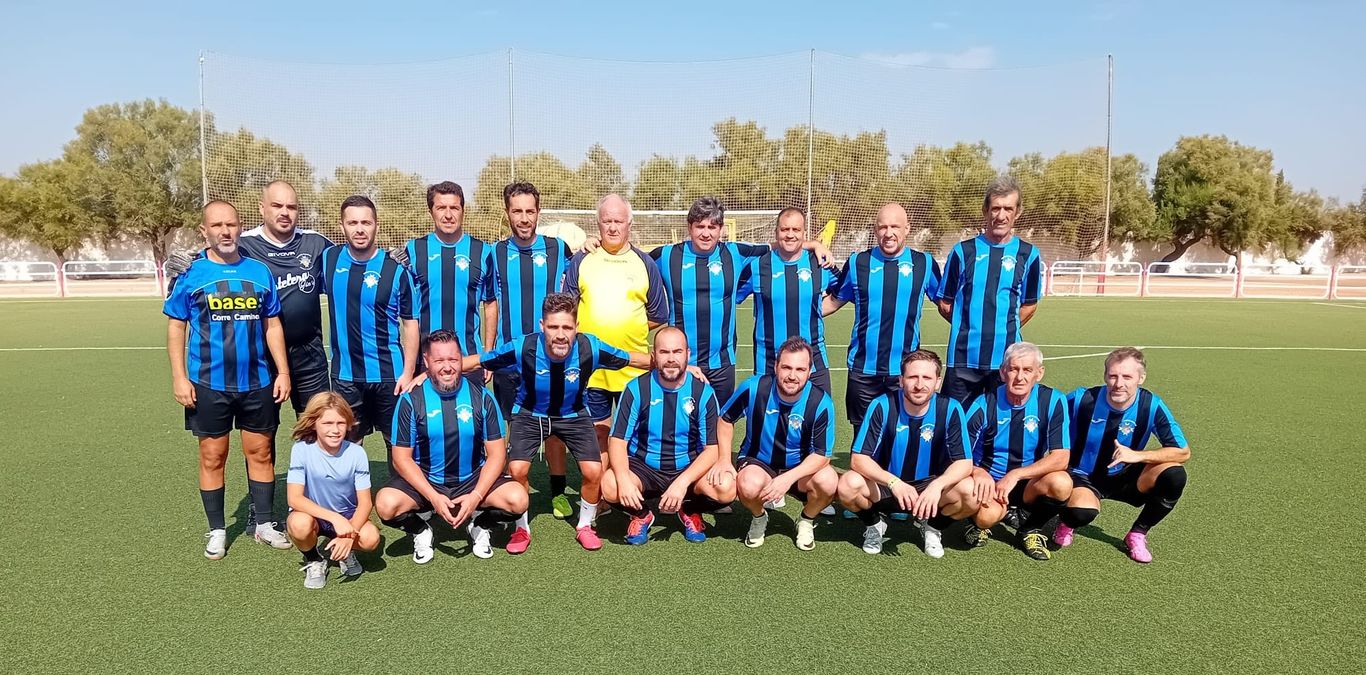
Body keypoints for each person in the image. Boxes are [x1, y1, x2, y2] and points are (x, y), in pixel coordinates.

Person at [165, 180, 333, 533]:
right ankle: (260, 516)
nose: (285, 212)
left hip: (309, 356)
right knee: (260, 443)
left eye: (291, 207)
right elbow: (214, 253)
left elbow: (351, 260)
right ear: (261, 209)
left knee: (319, 431)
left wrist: (394, 258)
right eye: (277, 206)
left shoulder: (316, 244)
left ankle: (321, 507)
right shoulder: (247, 244)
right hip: (261, 359)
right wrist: (183, 261)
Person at [465, 293, 654, 552]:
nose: (561, 334)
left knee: (593, 471)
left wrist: (676, 365)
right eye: (553, 327)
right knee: (517, 470)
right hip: (530, 414)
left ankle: (585, 526)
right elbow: (480, 360)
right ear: (542, 326)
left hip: (574, 415)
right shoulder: (523, 347)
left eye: (567, 327)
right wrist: (435, 370)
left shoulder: (590, 347)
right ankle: (521, 529)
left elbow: (632, 358)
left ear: (577, 327)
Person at [164, 200, 292, 558]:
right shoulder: (191, 273)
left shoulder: (259, 271)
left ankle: (264, 524)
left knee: (261, 452)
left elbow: (272, 325)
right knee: (212, 456)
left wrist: (283, 371)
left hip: (257, 381)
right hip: (208, 383)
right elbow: (176, 327)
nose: (225, 231)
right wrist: (179, 377)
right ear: (204, 230)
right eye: (217, 225)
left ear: (240, 227)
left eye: (231, 224)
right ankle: (218, 529)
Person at [651, 196, 832, 404]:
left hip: (722, 364)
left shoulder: (735, 253)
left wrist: (813, 244)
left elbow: (781, 245)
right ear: (689, 226)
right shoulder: (666, 256)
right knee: (676, 420)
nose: (706, 233)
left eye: (712, 227)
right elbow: (636, 266)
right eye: (700, 226)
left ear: (721, 229)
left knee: (720, 420)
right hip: (677, 362)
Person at [375, 329, 529, 563]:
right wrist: (433, 497)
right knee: (386, 504)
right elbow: (401, 459)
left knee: (518, 500)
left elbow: (497, 455)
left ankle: (480, 524)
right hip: (428, 481)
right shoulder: (410, 399)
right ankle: (421, 530)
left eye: (453, 359)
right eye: (439, 360)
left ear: (461, 360)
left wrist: (476, 496)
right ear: (427, 361)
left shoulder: (482, 397)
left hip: (471, 479)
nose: (447, 367)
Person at [562, 194, 671, 467]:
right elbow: (567, 311)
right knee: (598, 434)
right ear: (598, 224)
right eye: (607, 221)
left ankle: (629, 486)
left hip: (633, 367)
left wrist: (628, 326)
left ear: (629, 224)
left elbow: (659, 314)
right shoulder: (582, 259)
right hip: (592, 368)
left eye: (618, 221)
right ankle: (600, 489)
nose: (612, 227)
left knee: (632, 436)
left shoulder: (645, 263)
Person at [490, 181, 576, 520]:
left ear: (538, 212)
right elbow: (488, 302)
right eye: (517, 211)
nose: (524, 218)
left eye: (530, 211)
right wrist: (489, 351)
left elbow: (580, 270)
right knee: (514, 427)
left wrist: (593, 245)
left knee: (555, 429)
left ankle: (557, 493)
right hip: (511, 359)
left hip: (553, 357)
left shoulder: (558, 249)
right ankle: (514, 493)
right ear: (507, 213)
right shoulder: (495, 253)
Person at [601, 327, 735, 545]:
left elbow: (712, 449)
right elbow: (617, 440)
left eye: (677, 351)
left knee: (727, 487)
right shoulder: (636, 389)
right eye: (664, 352)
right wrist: (624, 479)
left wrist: (682, 483)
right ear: (654, 356)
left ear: (687, 354)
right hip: (644, 467)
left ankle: (689, 509)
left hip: (687, 466)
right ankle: (642, 515)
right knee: (610, 484)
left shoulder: (703, 393)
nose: (671, 359)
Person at [837, 349, 977, 557]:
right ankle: (874, 525)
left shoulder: (950, 409)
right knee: (848, 484)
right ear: (901, 380)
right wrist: (894, 482)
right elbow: (858, 459)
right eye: (912, 377)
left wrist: (938, 485)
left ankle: (932, 528)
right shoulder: (882, 405)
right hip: (887, 486)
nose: (919, 385)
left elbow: (964, 462)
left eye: (927, 378)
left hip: (929, 488)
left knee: (971, 494)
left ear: (938, 382)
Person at [1056, 347, 1191, 563]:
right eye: (1113, 376)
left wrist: (1138, 456)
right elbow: (1048, 418)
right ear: (1105, 376)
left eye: (1127, 377)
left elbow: (1182, 451)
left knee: (1174, 475)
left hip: (1127, 476)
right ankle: (1066, 522)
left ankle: (1137, 534)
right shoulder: (1083, 398)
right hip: (1083, 475)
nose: (1119, 383)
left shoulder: (1151, 405)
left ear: (1141, 378)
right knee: (1080, 513)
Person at [823, 203, 941, 428]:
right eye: (883, 227)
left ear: (907, 229)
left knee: (902, 434)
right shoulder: (858, 263)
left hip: (905, 371)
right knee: (862, 436)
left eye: (895, 227)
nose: (889, 233)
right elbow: (833, 301)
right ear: (875, 230)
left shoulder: (924, 264)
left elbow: (946, 305)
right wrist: (800, 310)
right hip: (863, 370)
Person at [714, 337, 838, 551]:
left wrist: (787, 479)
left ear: (809, 372)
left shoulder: (821, 402)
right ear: (776, 366)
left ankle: (806, 520)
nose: (792, 376)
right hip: (759, 462)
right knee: (748, 485)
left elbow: (822, 455)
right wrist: (724, 459)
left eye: (800, 369)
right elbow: (725, 420)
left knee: (828, 481)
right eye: (786, 367)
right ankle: (759, 517)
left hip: (799, 468)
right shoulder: (754, 387)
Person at [320, 195, 420, 454]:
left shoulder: (395, 270)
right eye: (352, 223)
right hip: (346, 376)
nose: (360, 229)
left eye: (366, 222)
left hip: (390, 375)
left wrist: (408, 373)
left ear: (376, 225)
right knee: (347, 445)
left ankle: (399, 484)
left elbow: (410, 324)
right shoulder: (328, 259)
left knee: (398, 446)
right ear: (342, 226)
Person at [936, 175, 1044, 403]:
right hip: (963, 359)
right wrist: (968, 325)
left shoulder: (1028, 254)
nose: (1001, 216)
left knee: (1001, 422)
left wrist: (1001, 327)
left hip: (1007, 361)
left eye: (1008, 209)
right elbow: (945, 304)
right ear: (985, 210)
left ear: (1017, 212)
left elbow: (1029, 305)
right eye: (996, 208)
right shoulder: (962, 252)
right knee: (955, 421)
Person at [963, 342, 1073, 560]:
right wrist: (978, 472)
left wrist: (1015, 475)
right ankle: (979, 522)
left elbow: (1061, 458)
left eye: (1027, 370)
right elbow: (959, 453)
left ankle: (1030, 530)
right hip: (991, 483)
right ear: (1003, 372)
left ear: (1039, 373)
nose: (1020, 377)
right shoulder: (984, 404)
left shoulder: (1053, 400)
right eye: (1013, 369)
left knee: (1061, 483)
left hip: (1029, 483)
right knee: (986, 518)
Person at [402, 181, 496, 388]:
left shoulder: (483, 251)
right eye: (441, 208)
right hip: (425, 361)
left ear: (463, 211)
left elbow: (490, 303)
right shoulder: (414, 250)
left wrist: (488, 353)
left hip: (469, 359)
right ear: (431, 212)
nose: (448, 215)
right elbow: (407, 313)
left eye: (454, 207)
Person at [735, 208, 839, 394]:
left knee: (819, 412)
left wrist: (821, 308)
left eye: (796, 230)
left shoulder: (820, 263)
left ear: (804, 233)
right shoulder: (757, 266)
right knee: (767, 414)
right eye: (785, 229)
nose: (790, 235)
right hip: (768, 363)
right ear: (776, 232)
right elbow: (729, 297)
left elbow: (847, 290)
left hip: (813, 363)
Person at [284, 392, 381, 589]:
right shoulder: (301, 449)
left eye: (340, 423)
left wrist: (348, 535)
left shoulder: (357, 453)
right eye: (327, 423)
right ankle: (314, 559)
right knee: (298, 524)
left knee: (371, 538)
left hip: (347, 515)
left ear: (348, 424)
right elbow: (294, 499)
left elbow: (365, 503)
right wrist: (335, 519)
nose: (335, 430)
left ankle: (344, 550)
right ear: (313, 424)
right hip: (314, 514)